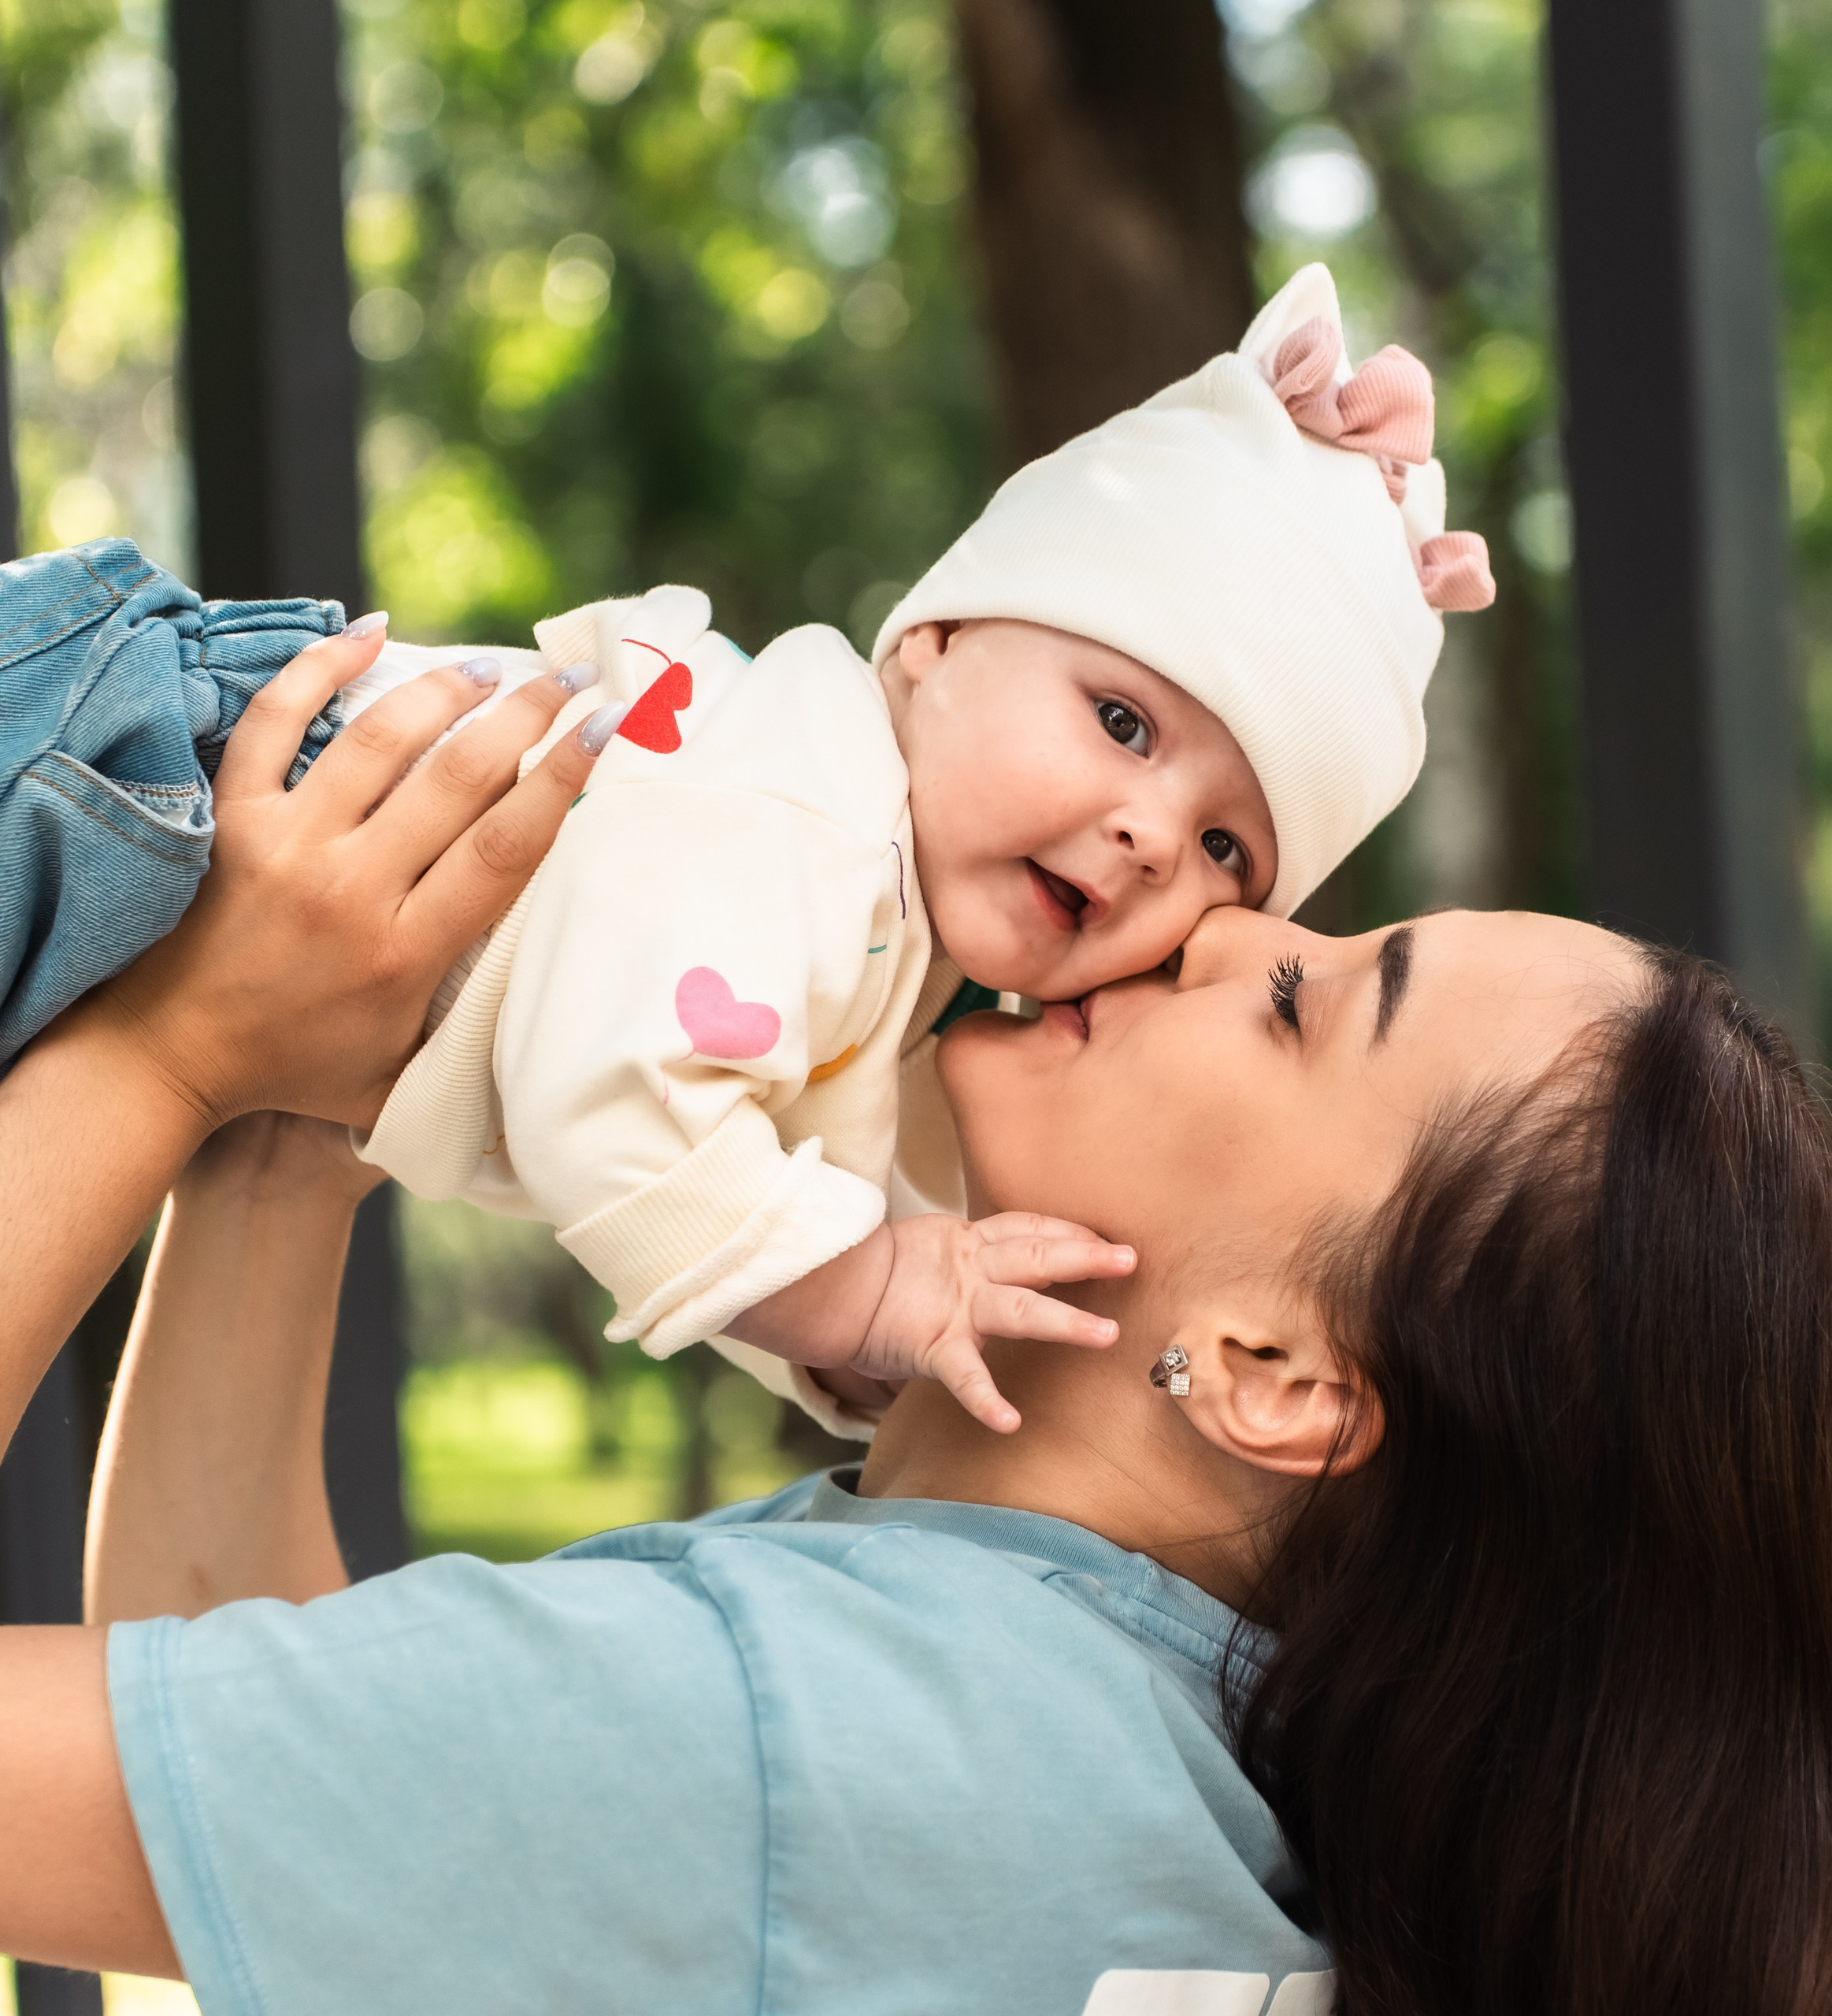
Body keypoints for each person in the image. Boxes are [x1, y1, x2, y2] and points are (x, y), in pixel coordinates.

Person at [0, 631, 1832, 2016]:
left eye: (1299, 994)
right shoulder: (1147, 1770)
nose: (1215, 917)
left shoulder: (801, 1735)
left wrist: (160, 1057)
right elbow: (254, 1757)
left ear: (1284, 1375)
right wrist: (300, 1107)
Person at [0, 262, 1493, 1438]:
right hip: (121, 760)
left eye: (1232, 844)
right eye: (1121, 718)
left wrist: (878, 1340)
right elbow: (619, 1100)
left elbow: (782, 1169)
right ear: (937, 643)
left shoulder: (891, 955)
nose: (1151, 833)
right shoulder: (811, 808)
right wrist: (866, 1295)